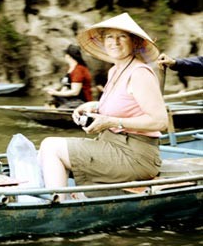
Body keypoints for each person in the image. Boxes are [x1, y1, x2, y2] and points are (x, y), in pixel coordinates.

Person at [38, 13, 168, 200]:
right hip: (111, 145)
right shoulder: (115, 70)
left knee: (50, 146)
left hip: (135, 156)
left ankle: (58, 205)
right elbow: (127, 102)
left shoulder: (139, 73)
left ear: (134, 42)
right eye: (109, 37)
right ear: (103, 42)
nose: (114, 42)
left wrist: (111, 121)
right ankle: (60, 198)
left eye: (122, 36)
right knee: (42, 152)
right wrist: (95, 106)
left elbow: (160, 121)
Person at [45, 44, 93, 108]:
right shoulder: (71, 69)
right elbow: (66, 86)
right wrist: (55, 94)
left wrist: (56, 93)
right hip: (69, 99)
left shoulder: (78, 70)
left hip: (80, 101)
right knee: (51, 101)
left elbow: (75, 92)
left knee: (59, 108)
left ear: (68, 56)